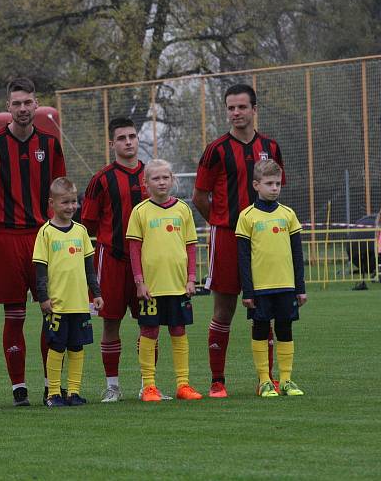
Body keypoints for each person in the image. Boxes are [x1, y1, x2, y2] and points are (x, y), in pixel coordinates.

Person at [192, 83, 284, 398]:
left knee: (265, 307)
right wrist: (220, 222)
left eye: (241, 107)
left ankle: (266, 379)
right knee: (224, 308)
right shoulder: (216, 149)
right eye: (230, 107)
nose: (236, 113)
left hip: (263, 240)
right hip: (228, 235)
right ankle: (218, 381)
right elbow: (199, 197)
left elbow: (275, 187)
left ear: (254, 109)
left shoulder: (270, 147)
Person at [0, 77, 66, 407]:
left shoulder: (51, 143)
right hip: (6, 237)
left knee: (51, 312)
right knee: (14, 315)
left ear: (36, 104)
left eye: (28, 102)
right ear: (8, 107)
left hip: (43, 238)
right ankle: (19, 388)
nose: (23, 108)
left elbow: (59, 191)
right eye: (16, 103)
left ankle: (51, 385)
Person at [81, 117, 147, 402]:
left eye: (132, 136)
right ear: (112, 144)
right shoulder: (101, 179)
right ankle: (113, 386)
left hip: (147, 262)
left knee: (149, 323)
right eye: (122, 138)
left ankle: (150, 384)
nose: (128, 142)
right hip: (112, 258)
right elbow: (88, 223)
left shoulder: (152, 174)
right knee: (110, 322)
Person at [127, 159, 202, 402]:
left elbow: (191, 246)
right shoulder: (140, 211)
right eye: (155, 178)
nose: (161, 182)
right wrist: (140, 282)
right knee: (149, 332)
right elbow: (134, 249)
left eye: (165, 177)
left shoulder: (183, 209)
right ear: (145, 183)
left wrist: (191, 279)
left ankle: (183, 384)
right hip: (151, 287)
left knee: (179, 331)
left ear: (172, 180)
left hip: (179, 285)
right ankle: (149, 386)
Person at [236, 160, 306, 397]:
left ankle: (286, 379)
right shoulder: (247, 216)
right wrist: (248, 291)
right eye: (269, 183)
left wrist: (300, 287)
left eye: (277, 183)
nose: (275, 188)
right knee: (261, 329)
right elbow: (243, 258)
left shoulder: (288, 215)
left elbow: (297, 254)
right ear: (256, 185)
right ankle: (265, 380)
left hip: (286, 286)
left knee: (285, 329)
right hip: (261, 287)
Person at [33, 177, 103, 407]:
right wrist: (43, 297)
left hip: (79, 303)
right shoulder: (45, 233)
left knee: (77, 345)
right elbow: (40, 269)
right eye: (65, 202)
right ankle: (53, 393)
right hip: (57, 304)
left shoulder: (81, 231)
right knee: (57, 345)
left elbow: (89, 267)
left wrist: (97, 293)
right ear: (52, 203)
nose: (71, 207)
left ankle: (73, 392)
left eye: (74, 201)